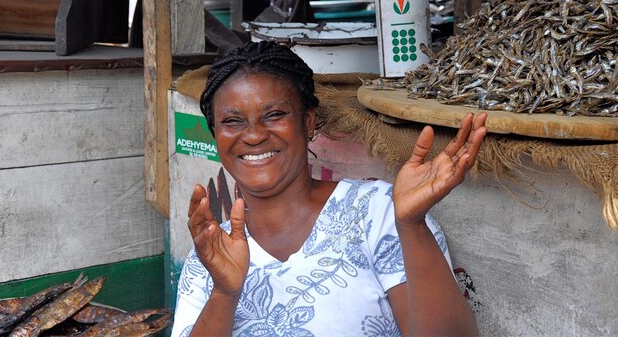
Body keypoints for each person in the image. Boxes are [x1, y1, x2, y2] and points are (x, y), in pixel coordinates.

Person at [171, 40, 487, 337]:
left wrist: (411, 224)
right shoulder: (208, 259)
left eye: (274, 115)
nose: (253, 136)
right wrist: (225, 294)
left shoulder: (378, 214)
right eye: (232, 121)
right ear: (216, 136)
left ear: (308, 122)